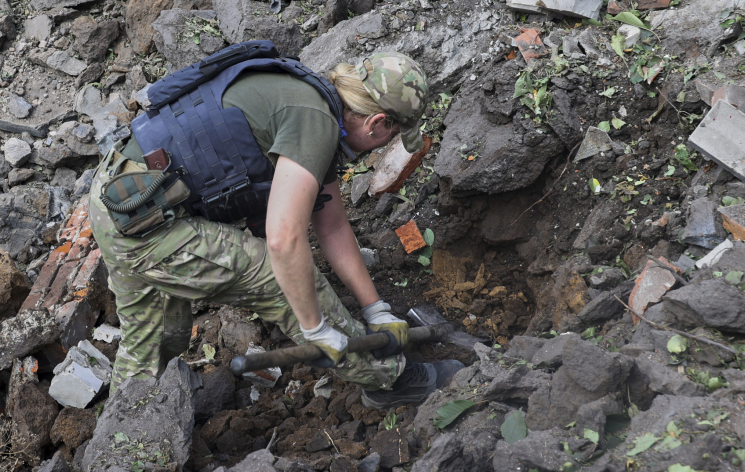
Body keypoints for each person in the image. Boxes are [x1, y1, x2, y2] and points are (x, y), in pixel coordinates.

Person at [87, 50, 463, 410]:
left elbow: (331, 225)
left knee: (154, 340)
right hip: (144, 219)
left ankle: (122, 444)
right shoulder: (313, 121)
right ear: (376, 122)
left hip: (118, 197)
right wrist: (315, 327)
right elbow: (284, 240)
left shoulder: (309, 101)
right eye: (390, 137)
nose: (383, 148)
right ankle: (393, 381)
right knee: (283, 277)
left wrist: (375, 309)